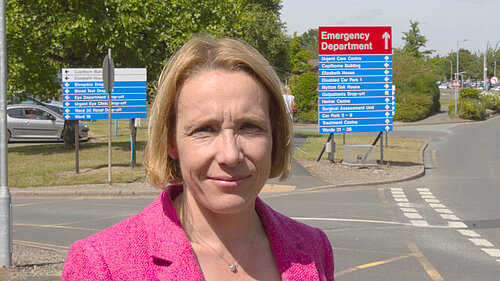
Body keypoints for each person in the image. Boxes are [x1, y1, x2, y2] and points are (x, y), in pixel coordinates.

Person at [62, 36, 334, 280]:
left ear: (275, 135)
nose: (230, 154)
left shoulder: (313, 248)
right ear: (171, 142)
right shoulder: (102, 264)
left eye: (250, 127)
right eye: (205, 129)